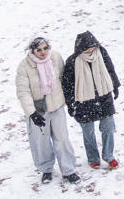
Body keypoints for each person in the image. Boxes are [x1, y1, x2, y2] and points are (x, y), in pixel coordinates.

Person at [15, 36, 80, 184]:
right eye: (38, 50)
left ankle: (69, 170)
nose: (43, 52)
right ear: (32, 50)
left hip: (56, 106)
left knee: (62, 139)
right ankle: (46, 169)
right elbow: (23, 91)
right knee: (41, 142)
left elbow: (64, 79)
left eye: (45, 48)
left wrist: (70, 101)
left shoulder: (55, 57)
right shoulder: (24, 67)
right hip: (38, 111)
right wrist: (32, 113)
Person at [62, 31, 122, 170]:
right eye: (87, 47)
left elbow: (110, 69)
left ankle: (108, 155)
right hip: (83, 101)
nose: (90, 49)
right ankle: (93, 158)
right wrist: (70, 104)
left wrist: (115, 85)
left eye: (92, 46)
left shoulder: (101, 53)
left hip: (103, 97)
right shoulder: (72, 61)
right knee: (88, 132)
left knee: (108, 128)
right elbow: (67, 84)